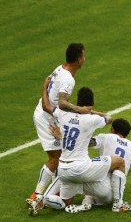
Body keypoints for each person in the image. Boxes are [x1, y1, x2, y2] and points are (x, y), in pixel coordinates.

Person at [29, 87, 131, 215]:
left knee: (65, 203)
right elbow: (108, 118)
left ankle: (42, 198)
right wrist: (89, 111)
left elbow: (46, 106)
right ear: (92, 104)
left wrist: (45, 86)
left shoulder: (63, 114)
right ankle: (118, 204)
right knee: (119, 162)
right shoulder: (91, 119)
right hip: (81, 168)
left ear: (77, 102)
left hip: (63, 170)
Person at [27, 43, 91, 210]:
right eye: (83, 56)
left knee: (62, 154)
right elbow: (62, 102)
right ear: (78, 59)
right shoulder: (68, 79)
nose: (84, 58)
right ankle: (38, 195)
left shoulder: (60, 68)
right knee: (56, 158)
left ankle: (54, 193)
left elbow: (49, 83)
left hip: (49, 115)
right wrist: (80, 110)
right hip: (47, 118)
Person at [44, 118, 131, 213]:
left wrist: (63, 138)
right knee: (90, 190)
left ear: (112, 129)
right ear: (126, 134)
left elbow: (86, 143)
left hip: (99, 184)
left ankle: (43, 197)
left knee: (68, 171)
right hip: (112, 195)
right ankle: (88, 203)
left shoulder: (106, 137)